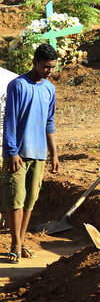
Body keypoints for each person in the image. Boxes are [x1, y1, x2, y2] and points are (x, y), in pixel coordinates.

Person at [2, 44, 60, 264]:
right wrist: (12, 151)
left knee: (29, 201)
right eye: (46, 67)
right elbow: (10, 121)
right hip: (17, 154)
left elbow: (49, 122)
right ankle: (15, 243)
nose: (49, 71)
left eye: (52, 67)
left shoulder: (49, 89)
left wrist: (53, 154)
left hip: (39, 154)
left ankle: (22, 240)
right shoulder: (18, 85)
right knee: (15, 200)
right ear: (35, 62)